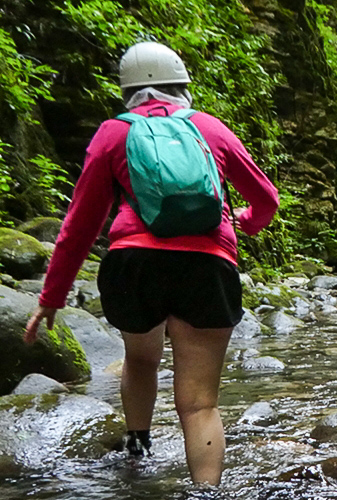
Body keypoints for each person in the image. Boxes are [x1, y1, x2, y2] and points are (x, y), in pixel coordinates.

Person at [22, 41, 279, 486]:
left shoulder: (112, 133)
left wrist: (52, 297)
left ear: (127, 92)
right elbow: (266, 199)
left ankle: (137, 449)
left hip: (134, 262)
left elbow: (80, 225)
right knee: (200, 404)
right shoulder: (210, 129)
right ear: (182, 86)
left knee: (140, 360)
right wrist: (245, 223)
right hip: (207, 262)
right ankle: (206, 495)